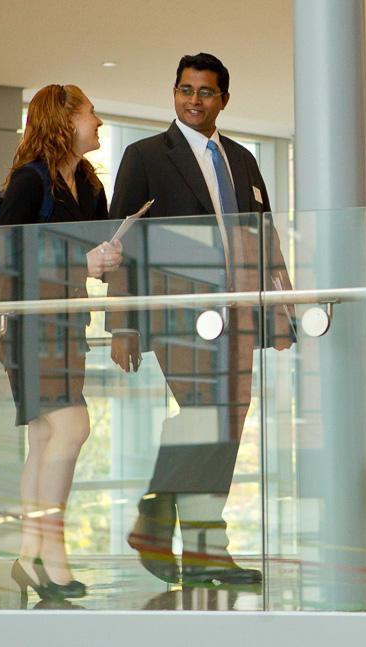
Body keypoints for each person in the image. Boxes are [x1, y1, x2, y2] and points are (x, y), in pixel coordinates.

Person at [107, 53, 294, 586]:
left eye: (205, 92)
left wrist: (281, 308)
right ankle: (161, 523)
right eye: (185, 90)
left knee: (227, 423)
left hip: (238, 312)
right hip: (179, 311)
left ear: (223, 100)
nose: (193, 100)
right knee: (201, 414)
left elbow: (267, 238)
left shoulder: (243, 159)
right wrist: (122, 321)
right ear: (174, 93)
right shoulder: (145, 156)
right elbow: (120, 242)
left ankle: (201, 551)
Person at [0, 84, 123, 603]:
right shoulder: (30, 180)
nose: (100, 122)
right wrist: (80, 263)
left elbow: (89, 252)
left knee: (45, 439)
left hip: (68, 324)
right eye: (91, 113)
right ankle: (51, 552)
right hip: (30, 322)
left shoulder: (87, 184)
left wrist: (107, 256)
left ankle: (29, 555)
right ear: (64, 120)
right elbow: (7, 258)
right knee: (72, 426)